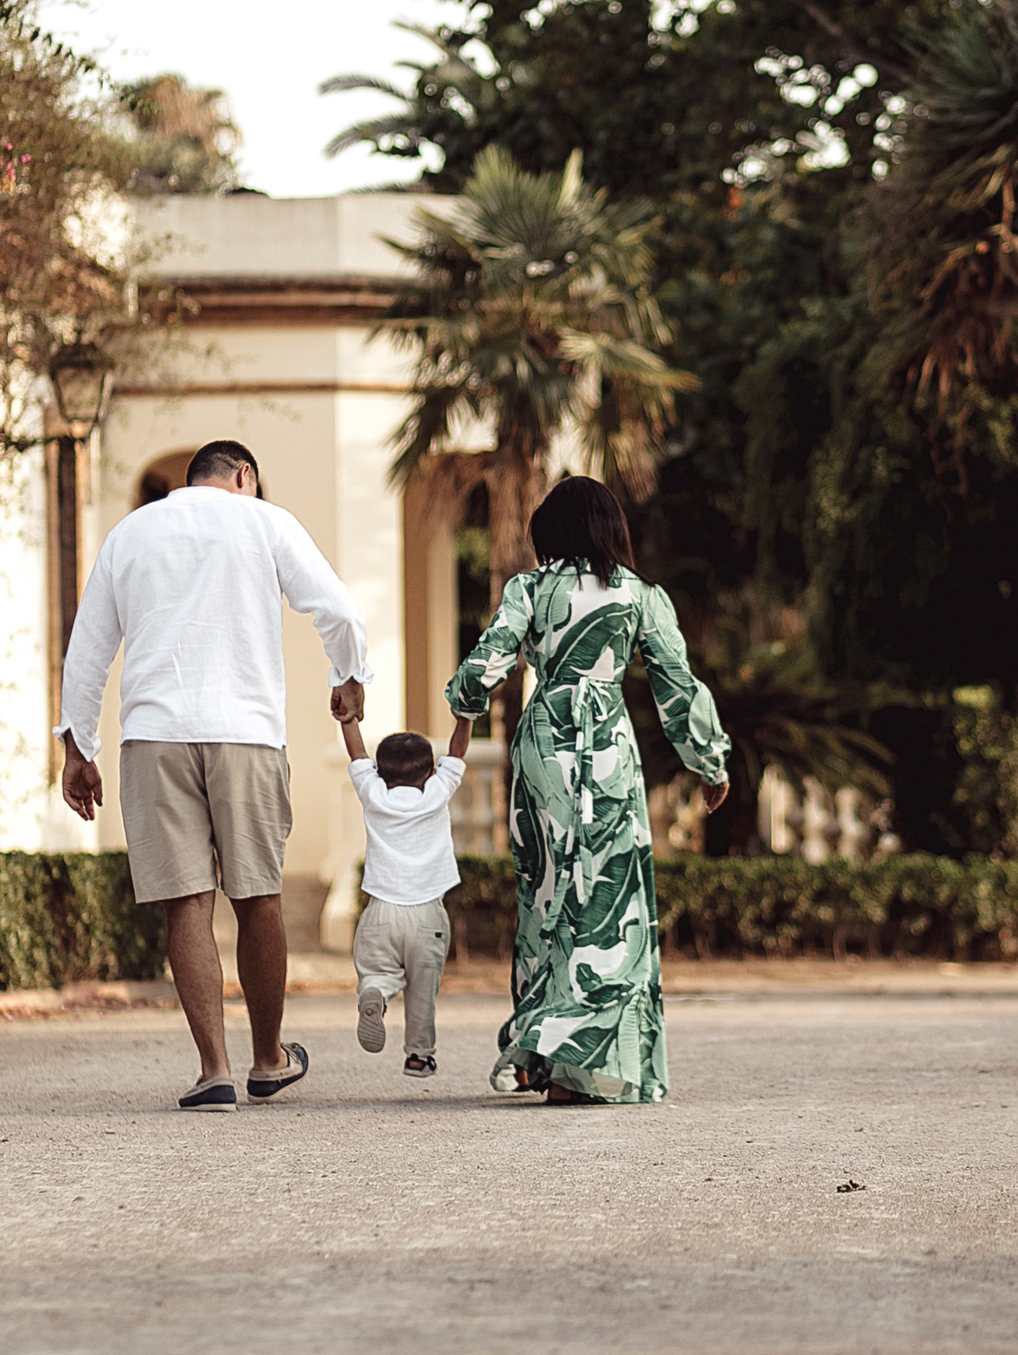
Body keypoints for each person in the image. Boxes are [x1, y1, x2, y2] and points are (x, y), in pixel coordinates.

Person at [56, 438, 371, 1111]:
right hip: (247, 733)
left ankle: (214, 1069)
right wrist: (349, 677)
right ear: (244, 476)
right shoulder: (267, 521)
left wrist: (77, 746)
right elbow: (339, 611)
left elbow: (88, 646)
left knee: (186, 903)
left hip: (155, 733)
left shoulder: (130, 532)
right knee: (258, 894)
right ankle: (268, 1057)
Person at [444, 475, 732, 1105]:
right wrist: (710, 762)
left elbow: (484, 667)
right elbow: (677, 688)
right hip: (606, 750)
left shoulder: (528, 589)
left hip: (543, 744)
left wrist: (461, 714)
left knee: (546, 893)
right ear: (612, 529)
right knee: (611, 900)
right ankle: (587, 1064)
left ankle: (539, 1050)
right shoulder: (640, 596)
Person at [339, 711, 472, 1078]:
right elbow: (458, 753)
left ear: (381, 774)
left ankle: (376, 995)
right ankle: (418, 1055)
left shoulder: (374, 793)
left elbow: (357, 755)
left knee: (377, 973)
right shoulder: (437, 793)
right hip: (427, 913)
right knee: (423, 990)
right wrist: (466, 717)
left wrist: (346, 719)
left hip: (380, 911)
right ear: (430, 773)